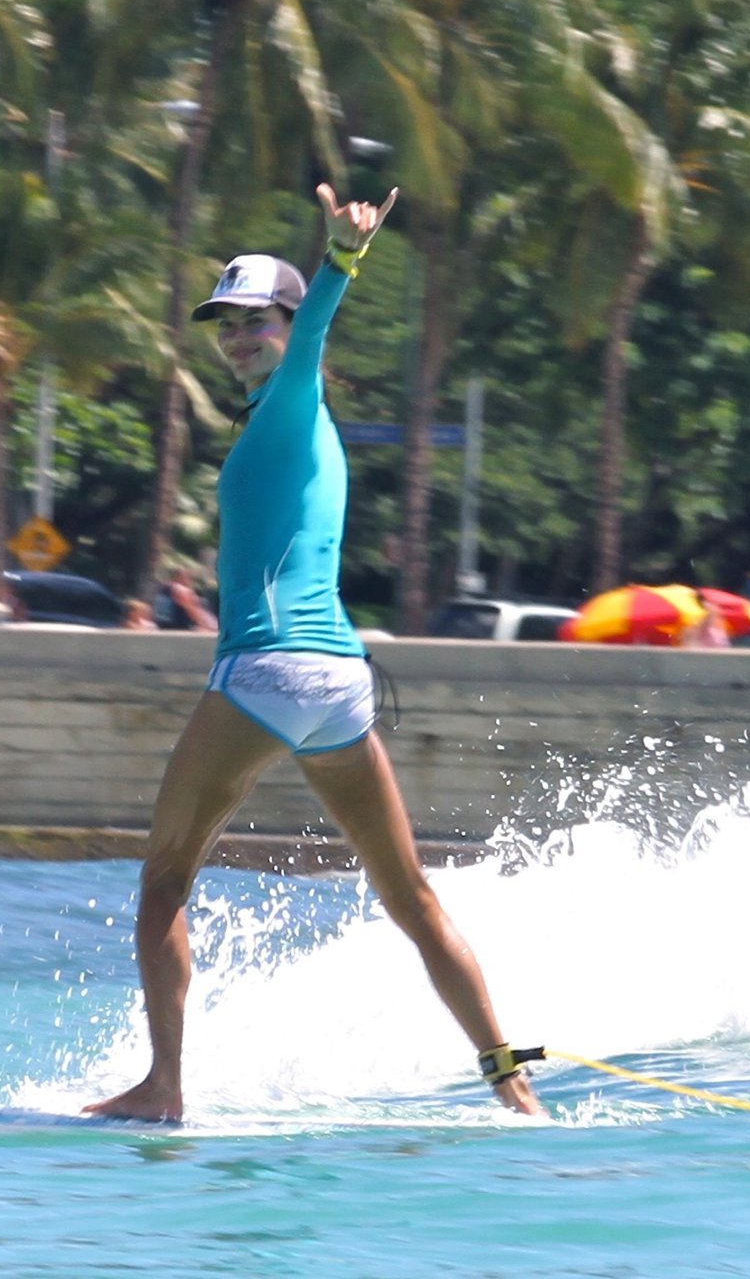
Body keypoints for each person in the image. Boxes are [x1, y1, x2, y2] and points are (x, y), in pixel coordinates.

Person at [87, 185, 544, 1122]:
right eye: (227, 325)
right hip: (341, 684)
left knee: (165, 882)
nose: (238, 338)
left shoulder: (295, 399)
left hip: (267, 671)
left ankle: (164, 1087)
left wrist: (340, 259)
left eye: (257, 321)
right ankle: (514, 1084)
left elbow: (317, 335)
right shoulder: (294, 425)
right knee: (410, 895)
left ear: (291, 327)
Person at [155, 565, 219, 633]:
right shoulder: (180, 590)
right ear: (179, 577)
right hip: (179, 631)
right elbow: (194, 612)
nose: (191, 582)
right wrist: (211, 627)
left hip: (163, 630)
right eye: (189, 578)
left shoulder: (163, 590)